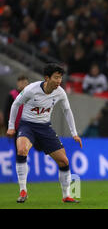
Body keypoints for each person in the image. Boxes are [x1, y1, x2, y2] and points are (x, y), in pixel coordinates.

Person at [6, 63, 82, 203]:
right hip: (27, 125)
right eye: (56, 77)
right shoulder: (31, 89)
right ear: (47, 78)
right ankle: (23, 191)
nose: (59, 81)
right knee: (22, 150)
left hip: (45, 128)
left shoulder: (60, 92)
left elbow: (67, 111)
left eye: (60, 78)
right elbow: (15, 104)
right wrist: (11, 127)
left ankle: (66, 196)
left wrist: (74, 133)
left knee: (64, 161)